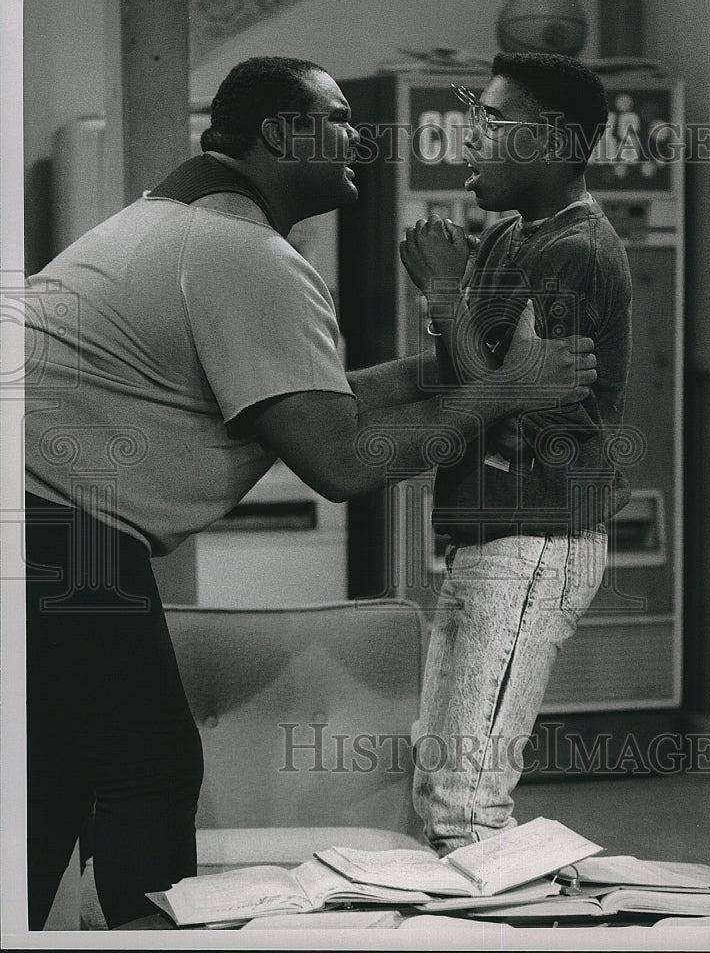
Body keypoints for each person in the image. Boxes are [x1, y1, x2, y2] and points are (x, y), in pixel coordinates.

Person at [23, 56, 597, 928]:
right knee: (151, 767)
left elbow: (299, 401)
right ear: (282, 140)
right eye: (334, 119)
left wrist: (438, 373)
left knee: (57, 766)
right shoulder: (244, 254)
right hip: (58, 531)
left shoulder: (185, 224)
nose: (359, 135)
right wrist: (507, 390)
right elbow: (342, 462)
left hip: (40, 522)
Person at [400, 52, 633, 854]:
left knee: (465, 802)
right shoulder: (506, 236)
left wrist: (440, 294)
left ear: (560, 143)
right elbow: (482, 385)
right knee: (435, 786)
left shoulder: (578, 250)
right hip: (488, 528)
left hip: (538, 536)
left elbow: (512, 404)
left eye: (495, 122)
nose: (472, 134)